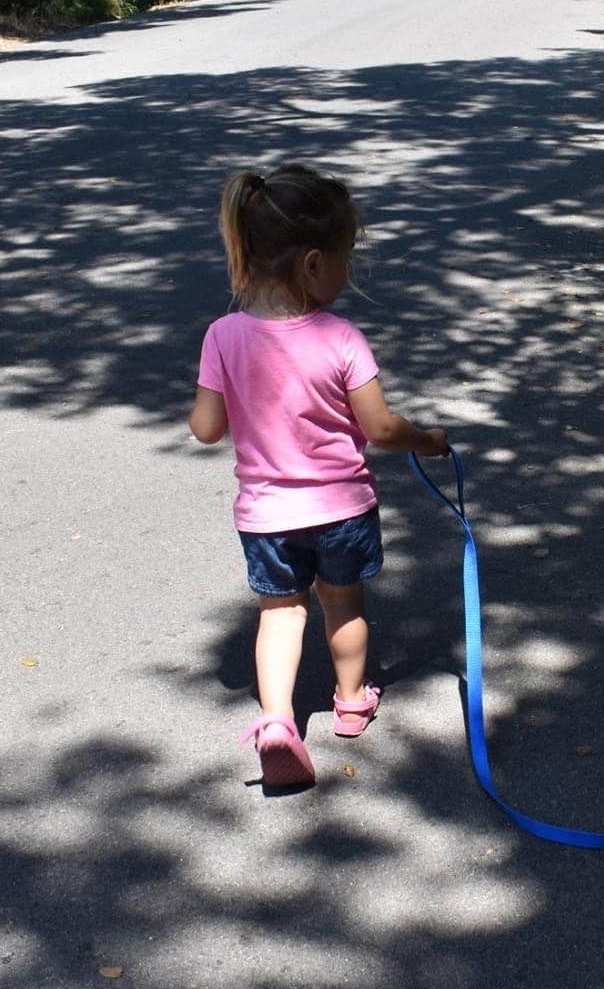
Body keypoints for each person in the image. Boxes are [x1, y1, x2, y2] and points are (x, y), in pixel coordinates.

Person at [188, 163, 449, 789]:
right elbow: (381, 430)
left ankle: (278, 721)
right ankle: (352, 700)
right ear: (312, 264)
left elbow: (205, 428)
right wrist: (431, 441)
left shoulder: (223, 336)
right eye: (343, 260)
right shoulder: (340, 337)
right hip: (341, 509)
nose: (346, 274)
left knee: (280, 614)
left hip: (268, 515)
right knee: (343, 603)